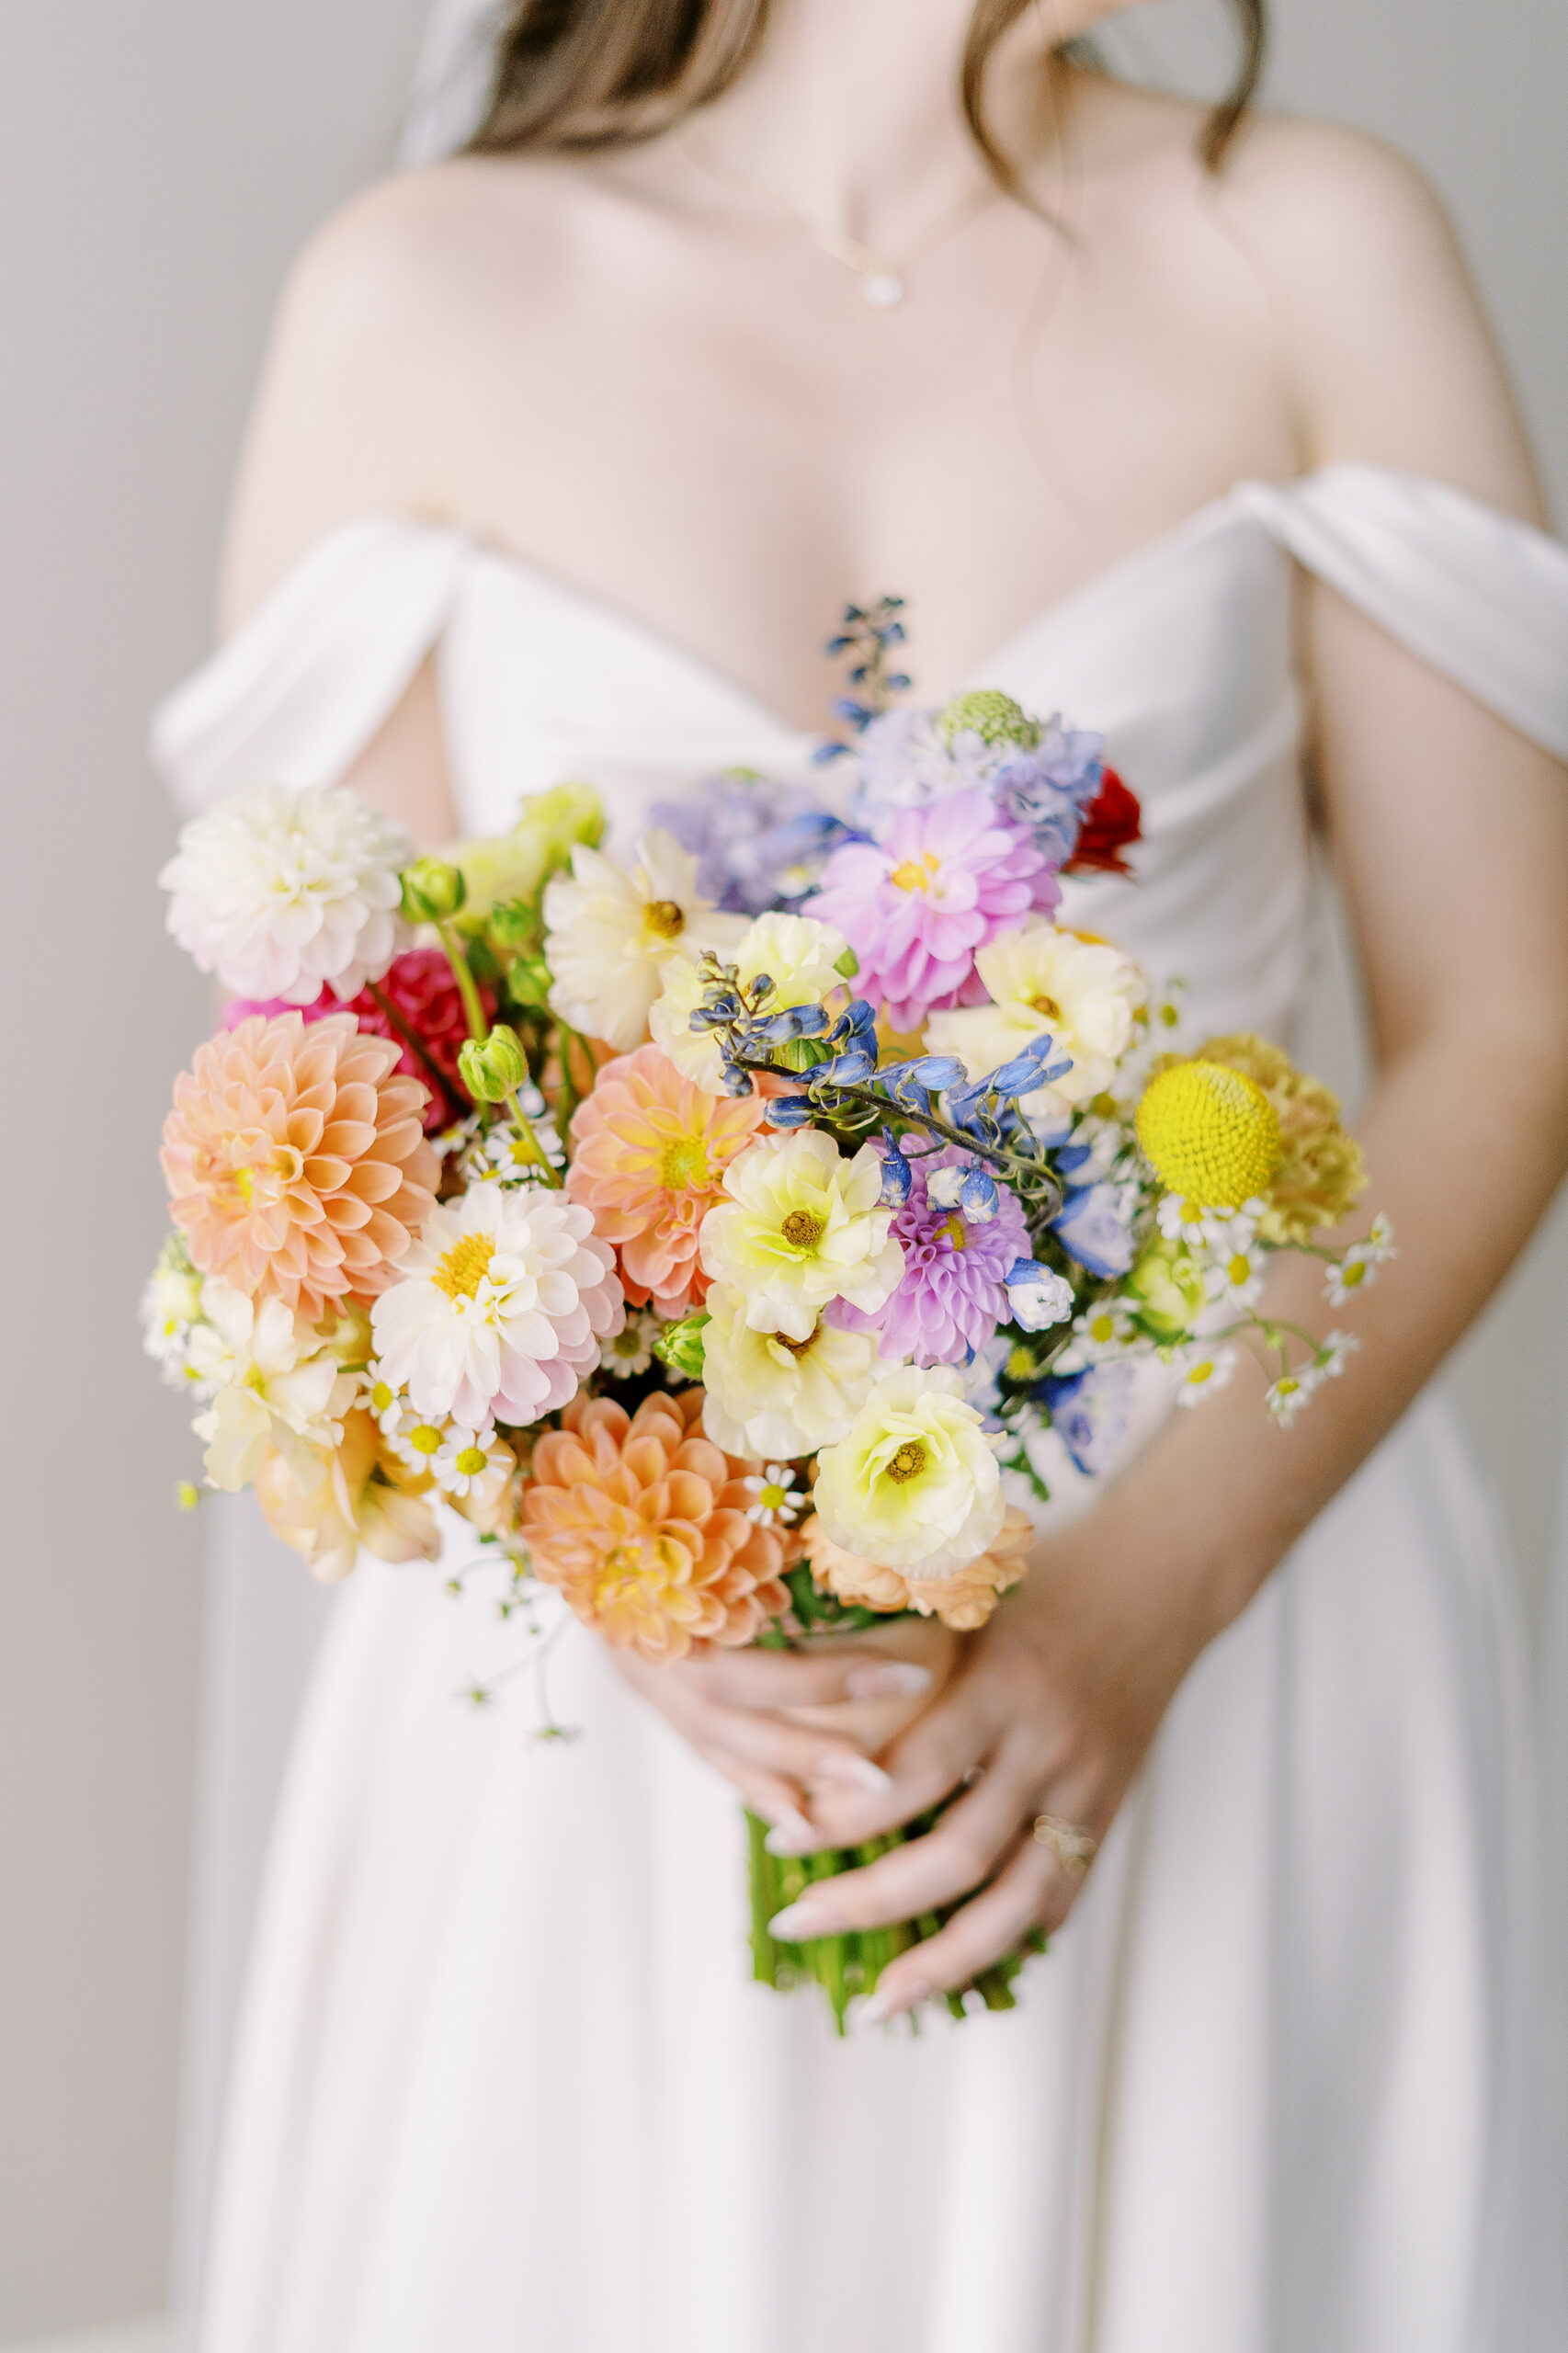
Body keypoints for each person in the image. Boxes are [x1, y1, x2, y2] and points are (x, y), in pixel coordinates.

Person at [153, 3, 1568, 2346]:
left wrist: (1138, 1610)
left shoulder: (1305, 247)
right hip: (617, 1676)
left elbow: (1504, 1022)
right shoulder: (421, 292)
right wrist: (639, 1571)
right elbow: (347, 1109)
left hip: (1228, 1569)